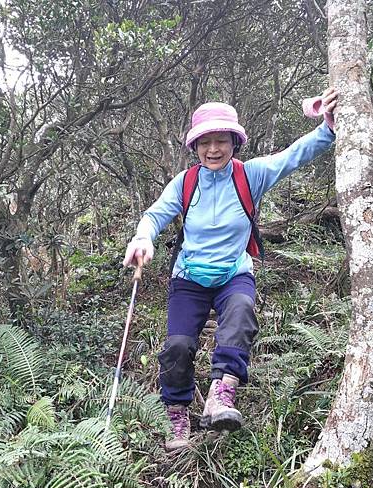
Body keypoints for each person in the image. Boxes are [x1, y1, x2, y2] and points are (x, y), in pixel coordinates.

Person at [123, 87, 338, 451]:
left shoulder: (250, 175)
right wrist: (143, 237)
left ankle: (221, 395)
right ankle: (176, 414)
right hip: (189, 277)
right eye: (205, 142)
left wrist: (328, 128)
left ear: (234, 143)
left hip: (233, 273)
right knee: (178, 346)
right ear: (195, 147)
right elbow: (155, 214)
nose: (213, 149)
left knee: (240, 312)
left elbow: (293, 157)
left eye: (221, 140)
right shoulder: (186, 183)